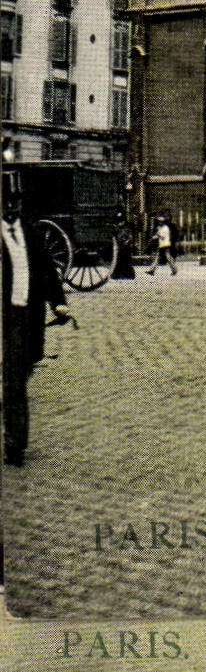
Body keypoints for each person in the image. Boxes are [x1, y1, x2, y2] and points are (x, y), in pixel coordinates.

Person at [2, 173, 71, 466]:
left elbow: (46, 270)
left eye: (15, 202)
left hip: (23, 315)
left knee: (18, 378)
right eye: (5, 202)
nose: (10, 207)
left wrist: (58, 304)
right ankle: (14, 440)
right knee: (13, 381)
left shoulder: (29, 232)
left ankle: (14, 443)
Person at [112, 213, 136, 281]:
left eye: (121, 221)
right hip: (119, 245)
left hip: (126, 246)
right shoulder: (116, 228)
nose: (120, 222)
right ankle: (117, 275)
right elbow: (115, 236)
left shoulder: (127, 227)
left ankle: (128, 275)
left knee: (127, 260)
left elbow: (130, 236)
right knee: (119, 261)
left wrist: (127, 241)